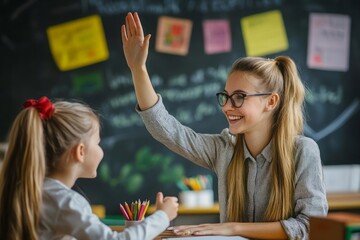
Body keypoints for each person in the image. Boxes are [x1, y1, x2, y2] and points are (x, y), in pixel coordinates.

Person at [121, 12, 328, 240]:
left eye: (239, 96)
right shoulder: (224, 149)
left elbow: (310, 228)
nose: (227, 106)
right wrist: (138, 69)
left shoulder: (303, 151)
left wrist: (233, 228)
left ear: (271, 101)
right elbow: (167, 130)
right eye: (226, 96)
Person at [0, 96, 178, 240]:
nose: (101, 150)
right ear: (81, 151)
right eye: (98, 143)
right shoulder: (64, 201)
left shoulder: (29, 190)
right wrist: (162, 216)